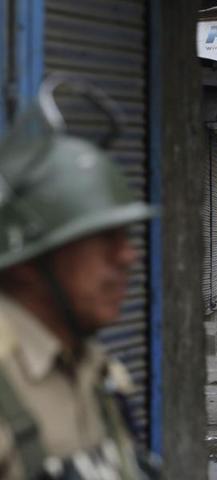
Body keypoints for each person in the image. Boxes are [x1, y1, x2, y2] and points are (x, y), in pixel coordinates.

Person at [0, 80, 158, 478]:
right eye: (102, 239)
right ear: (27, 262)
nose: (127, 256)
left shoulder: (98, 371)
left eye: (125, 238)